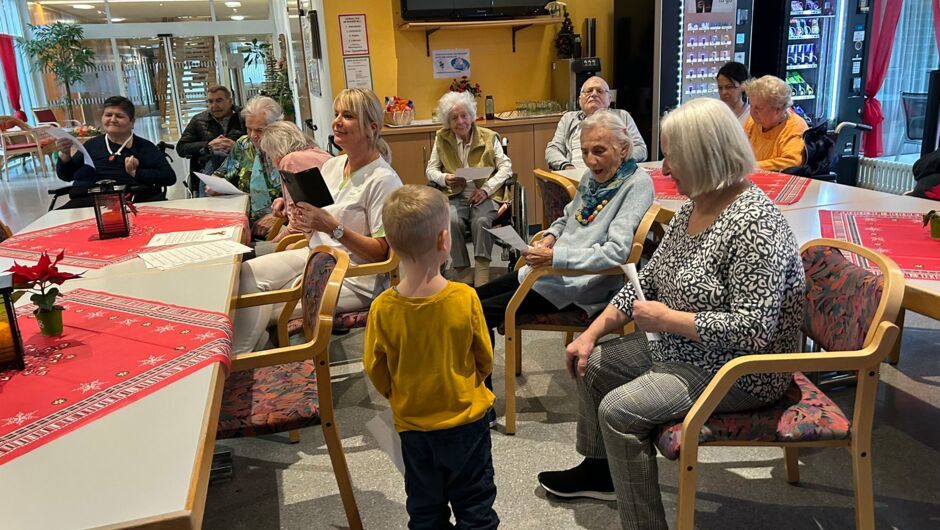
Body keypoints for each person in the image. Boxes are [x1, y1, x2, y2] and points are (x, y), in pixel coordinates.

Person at [537, 98, 805, 530]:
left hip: (741, 369)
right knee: (593, 364)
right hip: (689, 349)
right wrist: (592, 331)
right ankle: (602, 472)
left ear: (703, 155)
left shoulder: (755, 223)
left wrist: (667, 320)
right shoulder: (693, 207)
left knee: (619, 411)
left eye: (673, 157)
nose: (663, 169)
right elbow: (650, 281)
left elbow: (754, 331)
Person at [364, 184, 498, 530]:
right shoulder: (465, 297)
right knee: (475, 505)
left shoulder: (381, 309)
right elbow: (484, 357)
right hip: (466, 422)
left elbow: (375, 368)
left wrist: (400, 394)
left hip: (414, 427)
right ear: (444, 240)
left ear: (391, 245)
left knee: (424, 509)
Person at [232, 88, 402, 353]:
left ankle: (242, 362)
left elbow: (382, 254)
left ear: (371, 127)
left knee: (267, 306)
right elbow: (318, 221)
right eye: (336, 114)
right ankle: (253, 358)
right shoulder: (332, 166)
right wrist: (304, 218)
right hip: (316, 254)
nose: (336, 121)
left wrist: (332, 227)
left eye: (347, 115)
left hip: (354, 276)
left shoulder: (383, 180)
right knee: (245, 275)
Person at [477, 110, 654, 341]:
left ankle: (478, 378)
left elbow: (617, 252)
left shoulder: (636, 185)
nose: (590, 160)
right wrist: (550, 237)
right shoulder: (592, 177)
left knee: (477, 313)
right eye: (585, 152)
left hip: (580, 284)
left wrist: (555, 257)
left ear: (622, 148)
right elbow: (567, 218)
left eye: (599, 151)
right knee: (470, 299)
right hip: (550, 273)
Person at [426, 90, 513, 286]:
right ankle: (463, 271)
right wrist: (445, 178)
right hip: (455, 195)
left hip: (485, 194)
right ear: (448, 121)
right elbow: (430, 170)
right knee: (453, 220)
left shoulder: (489, 137)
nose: (460, 122)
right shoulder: (442, 138)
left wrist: (486, 190)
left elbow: (506, 167)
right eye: (454, 118)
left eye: (464, 115)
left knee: (481, 220)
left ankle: (481, 274)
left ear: (471, 116)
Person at [55, 96, 175, 208]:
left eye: (119, 116)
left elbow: (169, 177)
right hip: (86, 201)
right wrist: (65, 155)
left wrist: (136, 173)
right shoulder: (92, 145)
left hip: (128, 202)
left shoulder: (145, 147)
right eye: (108, 115)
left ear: (132, 122)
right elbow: (66, 176)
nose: (112, 120)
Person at [212, 95, 283, 238]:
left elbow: (306, 200)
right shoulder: (244, 145)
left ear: (277, 127)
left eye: (259, 130)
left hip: (280, 224)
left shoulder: (288, 150)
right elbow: (221, 173)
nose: (252, 135)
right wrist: (215, 185)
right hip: (244, 221)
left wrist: (278, 216)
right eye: (249, 129)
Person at [545, 76, 648, 170]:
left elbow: (641, 149)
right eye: (589, 91)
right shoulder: (568, 118)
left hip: (615, 174)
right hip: (575, 175)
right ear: (579, 100)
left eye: (599, 91)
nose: (594, 94)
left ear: (609, 99)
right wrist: (566, 166)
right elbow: (553, 149)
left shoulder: (622, 116)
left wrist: (617, 161)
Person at [258, 121, 332, 242]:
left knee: (249, 255)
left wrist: (272, 244)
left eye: (269, 154)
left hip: (314, 238)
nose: (271, 161)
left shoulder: (290, 160)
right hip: (325, 234)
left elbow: (299, 224)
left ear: (275, 149)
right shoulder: (318, 152)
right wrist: (285, 201)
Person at [177, 85, 245, 193]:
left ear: (230, 101)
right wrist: (208, 145)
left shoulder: (244, 116)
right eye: (210, 101)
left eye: (219, 101)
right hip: (209, 167)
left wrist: (236, 146)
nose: (214, 106)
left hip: (240, 166)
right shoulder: (199, 120)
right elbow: (181, 148)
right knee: (214, 157)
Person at [743, 75, 808, 171]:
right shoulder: (754, 121)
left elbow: (792, 162)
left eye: (759, 108)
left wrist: (751, 166)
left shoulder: (794, 127)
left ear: (778, 109)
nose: (752, 112)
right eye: (751, 106)